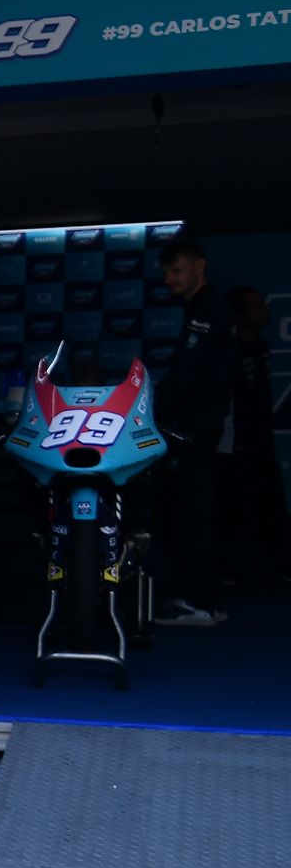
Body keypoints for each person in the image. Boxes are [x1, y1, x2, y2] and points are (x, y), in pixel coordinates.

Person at [148, 235, 235, 627]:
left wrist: (147, 408)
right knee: (188, 513)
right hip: (197, 426)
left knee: (191, 515)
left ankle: (203, 602)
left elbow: (188, 374)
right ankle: (205, 599)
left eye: (176, 270)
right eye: (166, 272)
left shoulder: (209, 310)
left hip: (195, 429)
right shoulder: (203, 308)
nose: (169, 278)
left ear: (199, 268)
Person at [220, 286, 287, 589]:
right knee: (237, 508)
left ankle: (273, 570)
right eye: (257, 307)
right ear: (239, 315)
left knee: (269, 505)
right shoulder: (230, 351)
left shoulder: (260, 347)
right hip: (237, 445)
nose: (265, 311)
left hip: (262, 442)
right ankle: (234, 572)